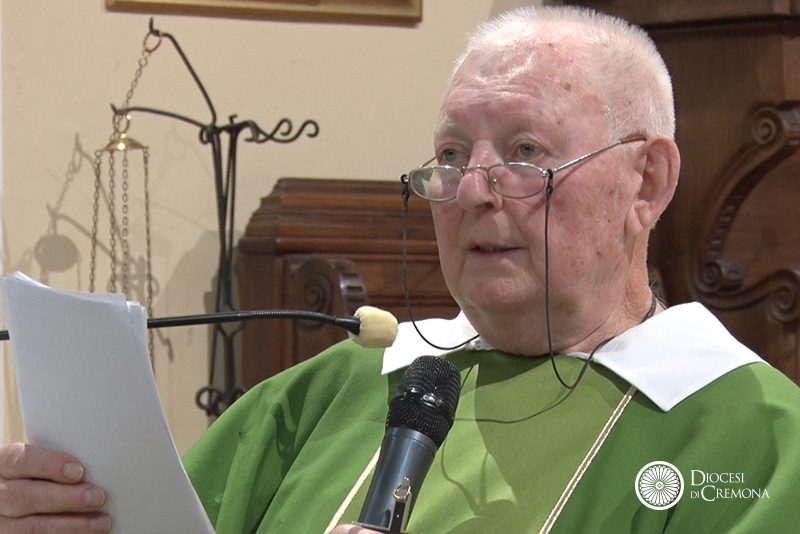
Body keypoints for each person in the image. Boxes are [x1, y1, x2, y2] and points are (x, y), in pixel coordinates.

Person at [2, 5, 800, 533]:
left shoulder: (752, 436)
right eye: (450, 155)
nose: (473, 190)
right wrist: (49, 511)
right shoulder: (344, 385)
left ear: (647, 181)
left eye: (525, 151)